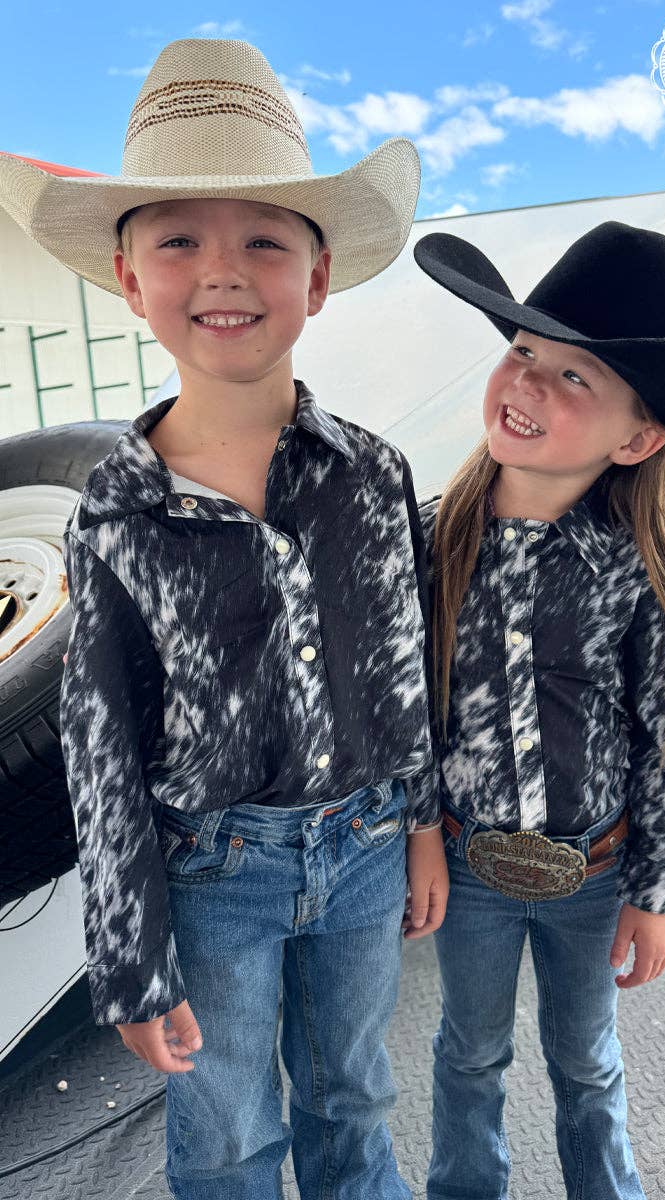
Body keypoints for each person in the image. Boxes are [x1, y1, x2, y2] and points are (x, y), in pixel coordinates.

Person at [0, 38, 448, 1200]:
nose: (222, 272)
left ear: (318, 276)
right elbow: (97, 737)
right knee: (226, 1130)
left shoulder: (372, 474)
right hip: (212, 871)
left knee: (355, 1099)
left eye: (262, 239)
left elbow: (401, 667)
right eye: (178, 241)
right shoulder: (112, 507)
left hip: (364, 847)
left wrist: (423, 827)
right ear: (128, 277)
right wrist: (128, 954)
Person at [410, 222, 665, 1200]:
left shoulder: (635, 574)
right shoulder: (428, 541)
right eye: (522, 352)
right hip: (466, 864)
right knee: (467, 1051)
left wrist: (659, 892)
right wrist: (417, 839)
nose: (528, 383)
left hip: (593, 871)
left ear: (637, 438)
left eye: (574, 375)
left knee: (585, 1059)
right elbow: (403, 708)